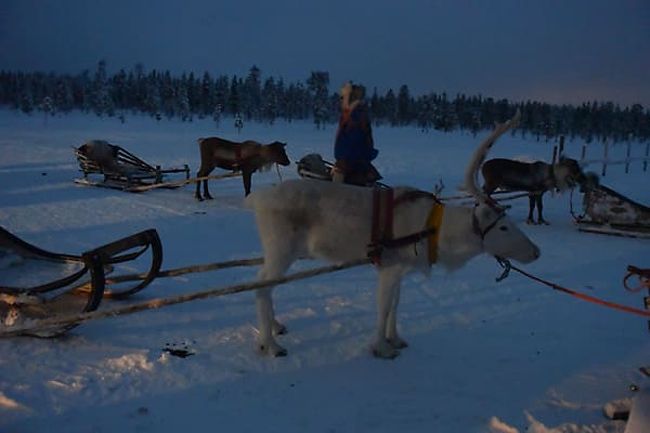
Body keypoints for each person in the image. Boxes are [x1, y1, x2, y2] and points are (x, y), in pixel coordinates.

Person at [332, 82, 381, 186]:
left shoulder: (356, 117)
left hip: (352, 163)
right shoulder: (350, 115)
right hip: (351, 161)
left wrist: (344, 161)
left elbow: (352, 143)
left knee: (334, 190)